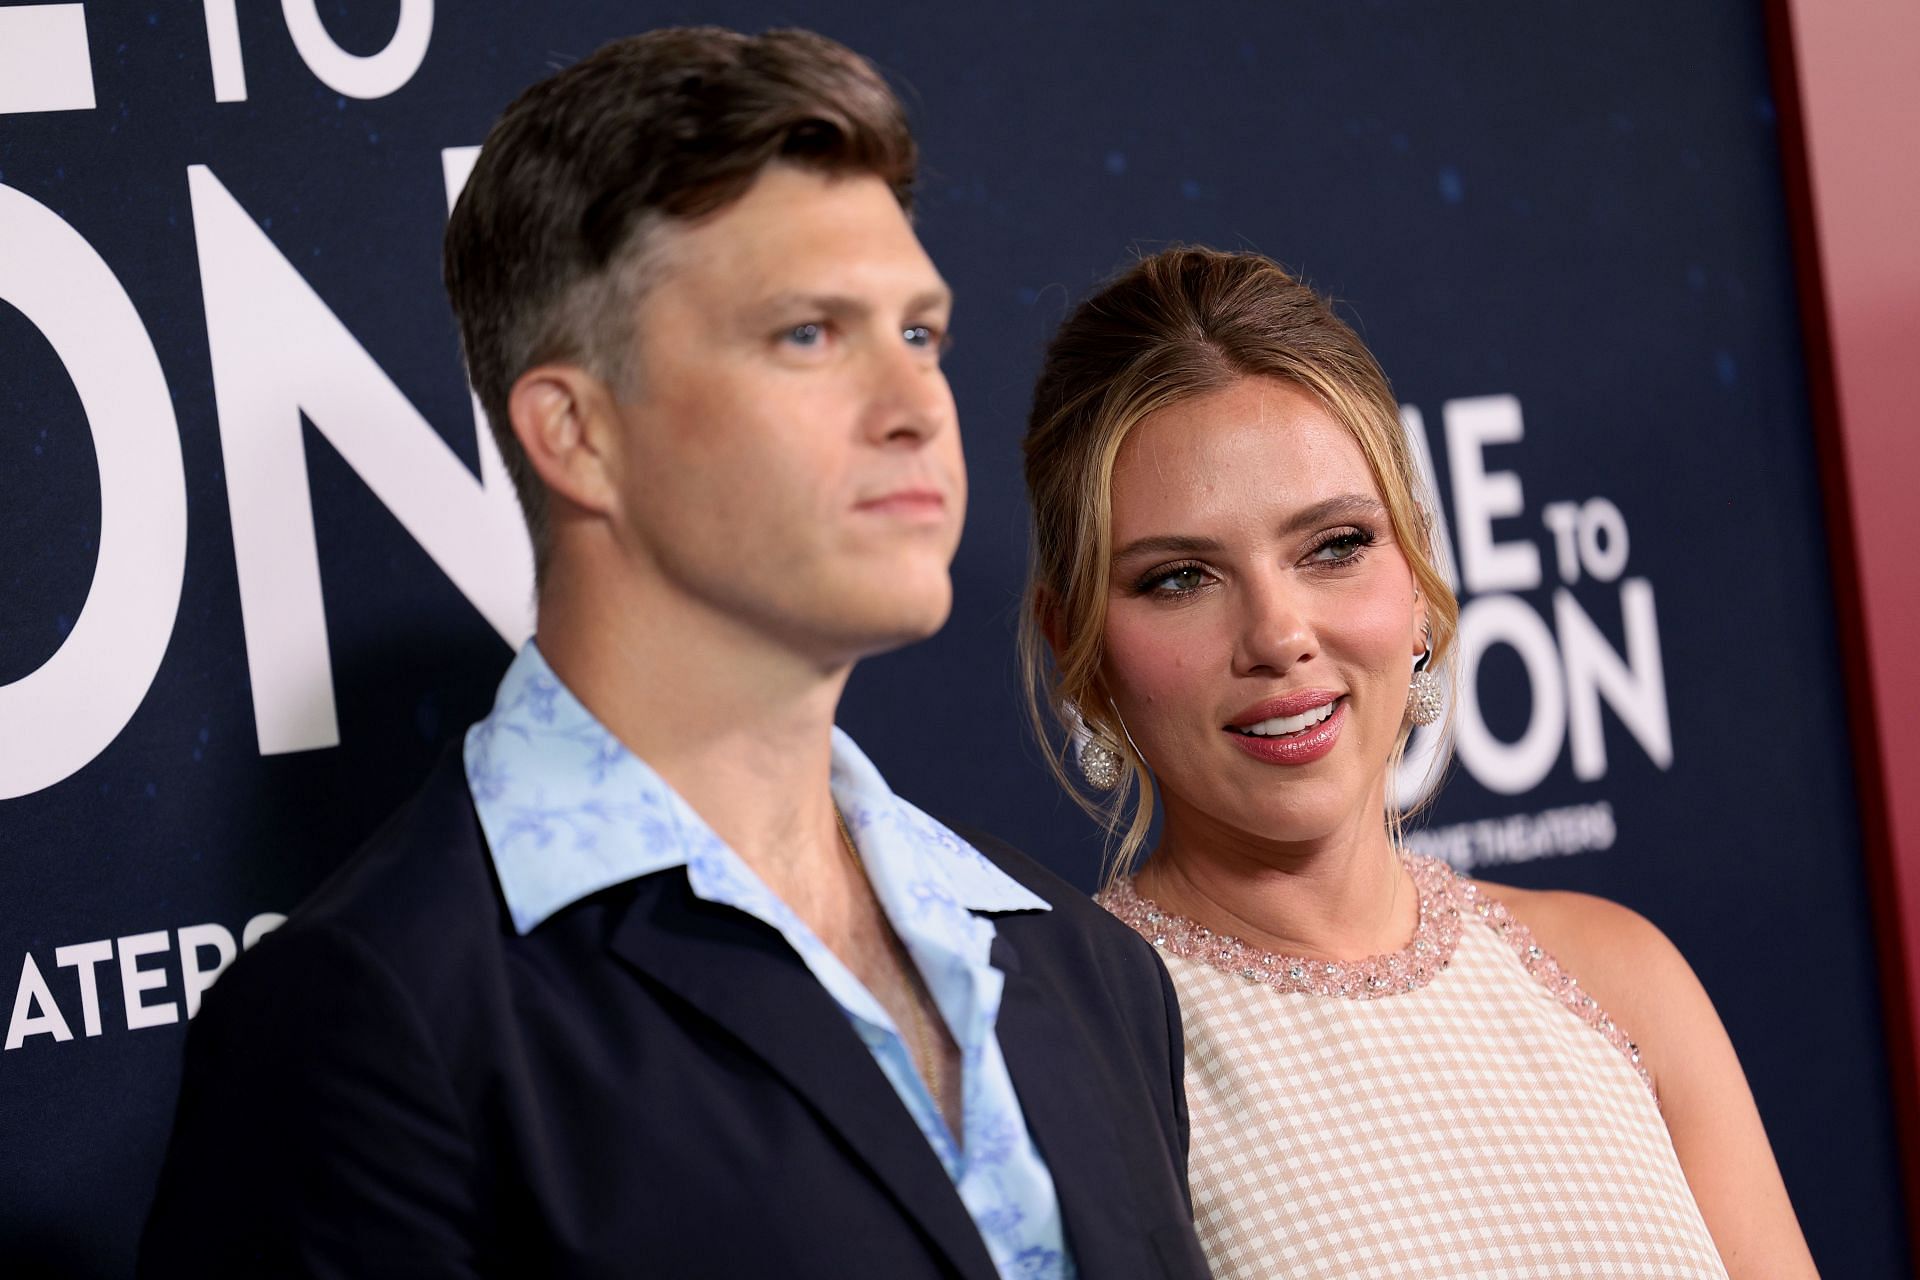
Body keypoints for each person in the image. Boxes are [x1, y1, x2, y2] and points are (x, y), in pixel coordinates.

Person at [138, 29, 1208, 1279]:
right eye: (809, 334)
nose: (916, 403)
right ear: (576, 433)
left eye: (921, 334)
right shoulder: (374, 1019)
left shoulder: (1086, 968)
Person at [1018, 246, 1819, 1278]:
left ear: (1417, 572)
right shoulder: (1077, 1058)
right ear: (1077, 647)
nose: (1279, 632)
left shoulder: (1617, 976)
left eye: (1334, 544)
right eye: (1180, 577)